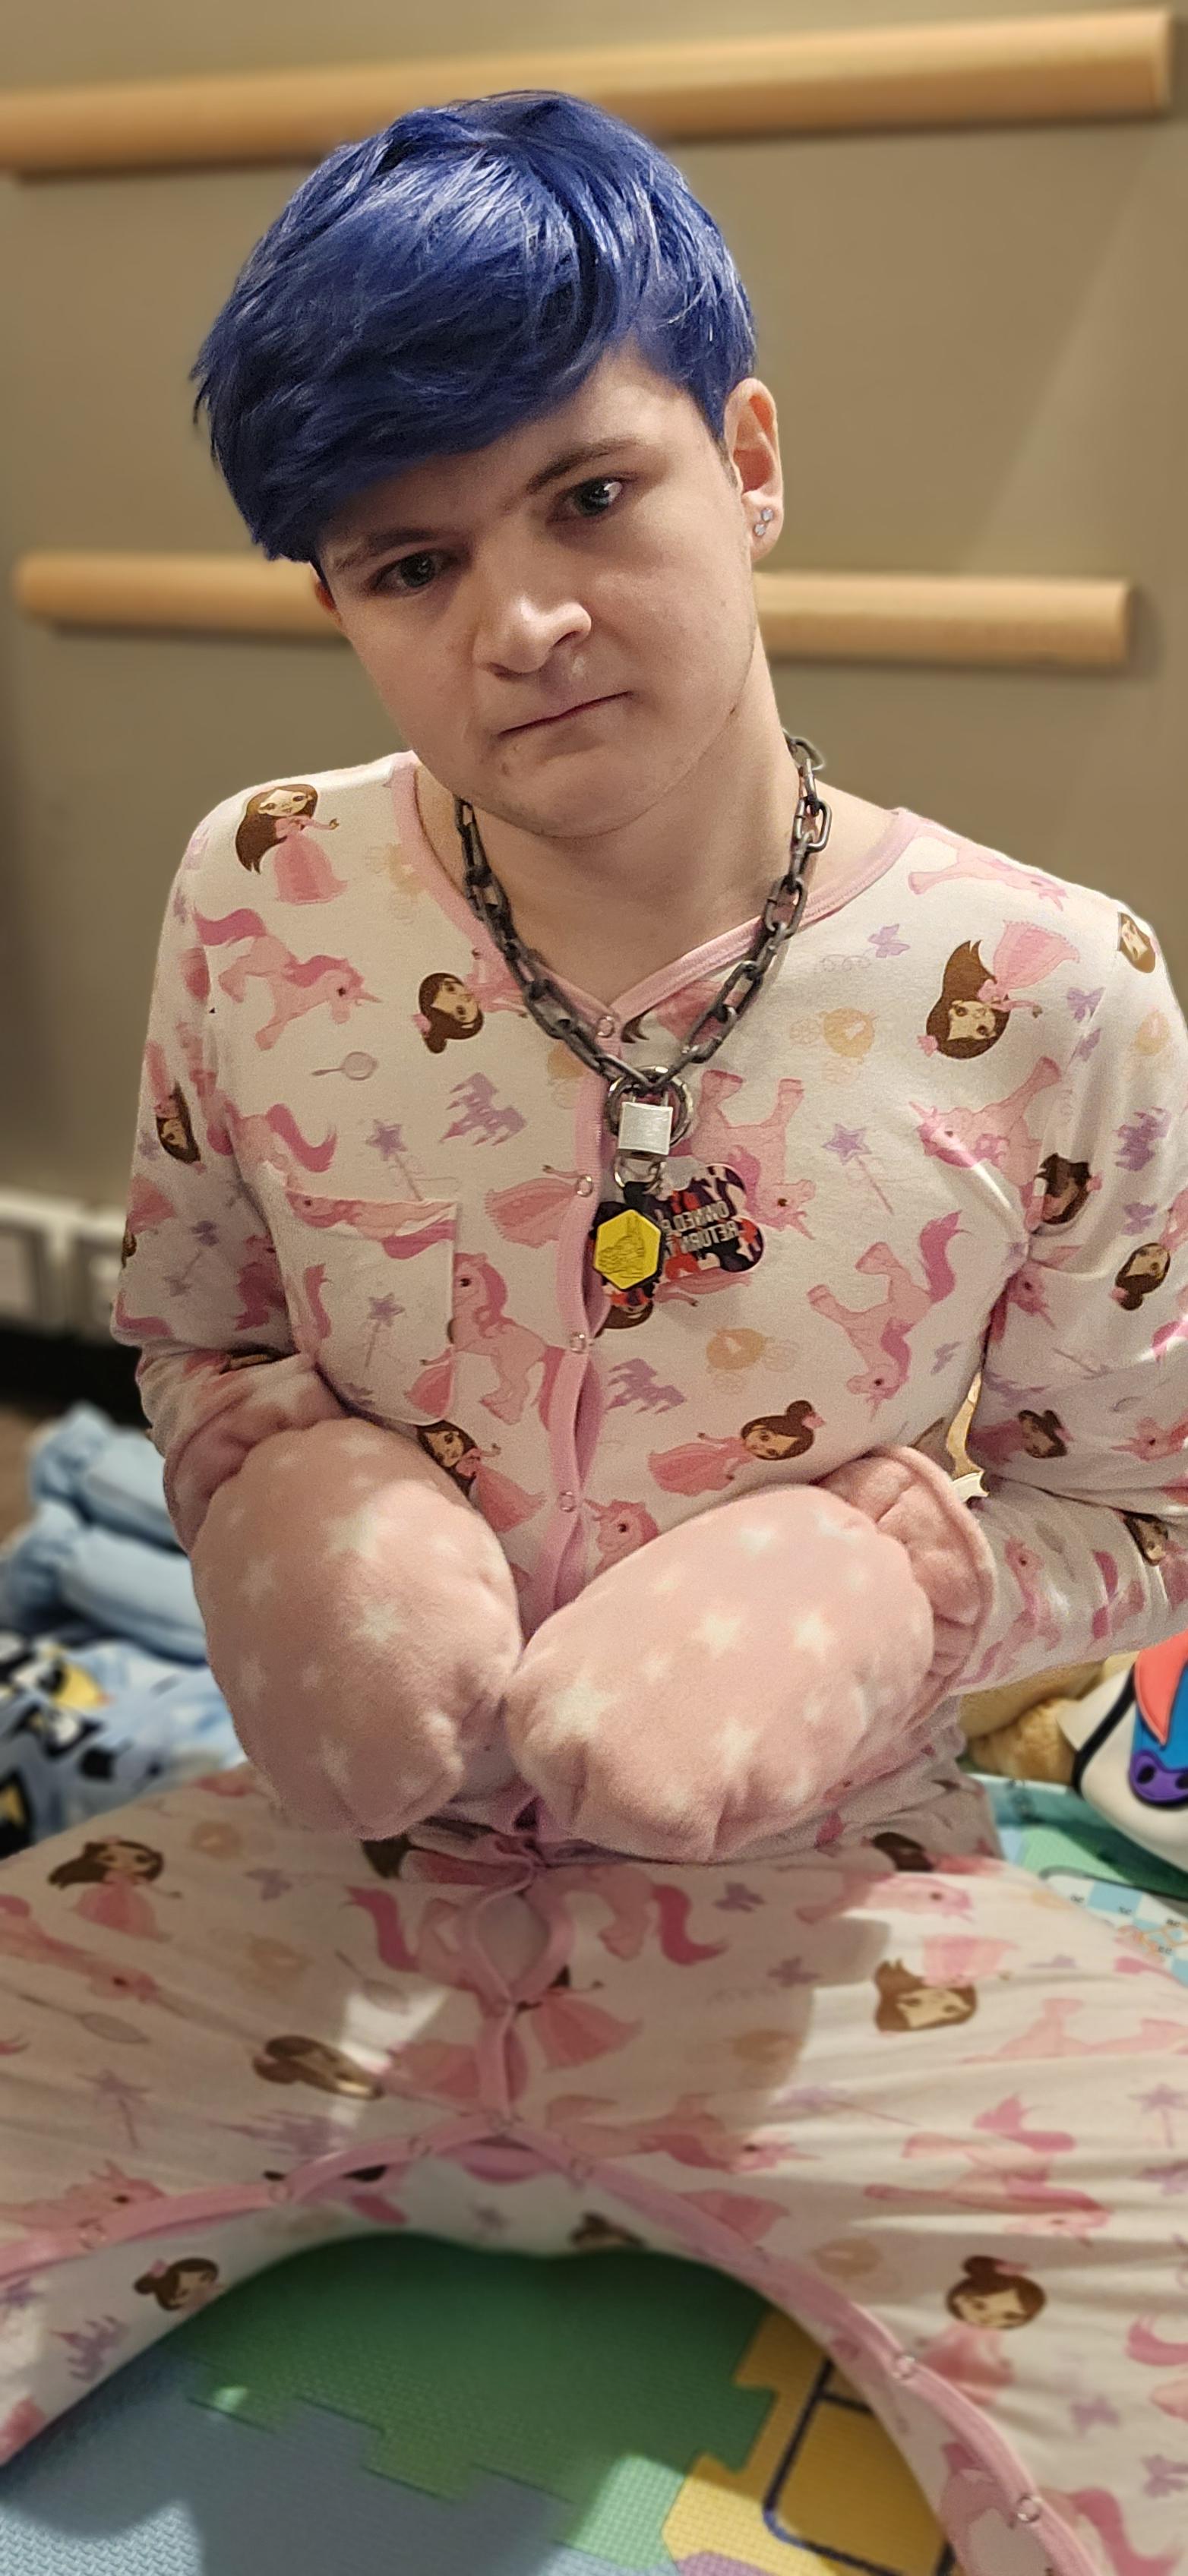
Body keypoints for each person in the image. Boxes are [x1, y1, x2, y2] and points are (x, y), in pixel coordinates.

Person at [3, 89, 1188, 2575]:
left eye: (588, 496)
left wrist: (893, 1589)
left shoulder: (1048, 991)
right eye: (408, 561)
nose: (519, 619)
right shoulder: (259, 893)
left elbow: (1142, 1501)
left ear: (743, 462)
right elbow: (193, 1327)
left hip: (834, 1937)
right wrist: (274, 1497)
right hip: (321, 1888)